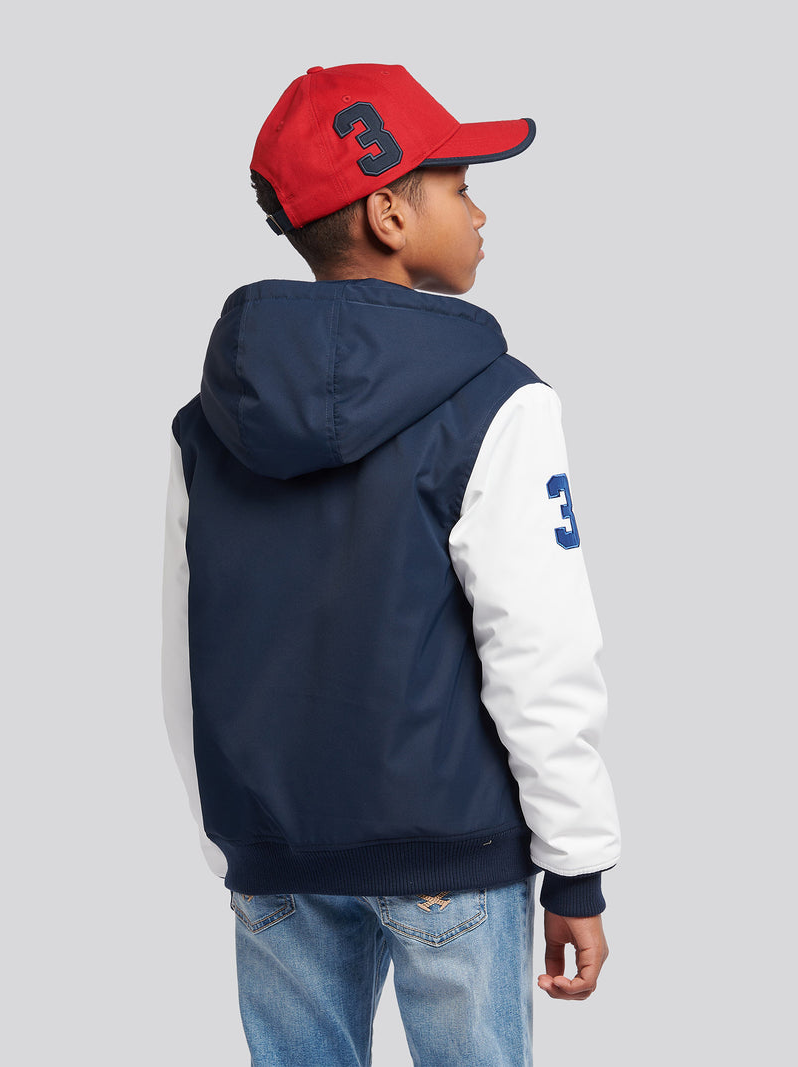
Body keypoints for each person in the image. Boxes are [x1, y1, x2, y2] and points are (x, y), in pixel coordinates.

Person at [162, 62, 621, 1066]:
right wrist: (577, 863)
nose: (479, 210)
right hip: (450, 850)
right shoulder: (500, 401)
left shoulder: (210, 421)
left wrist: (237, 835)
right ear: (388, 213)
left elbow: (185, 645)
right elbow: (539, 649)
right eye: (460, 185)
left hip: (274, 848)